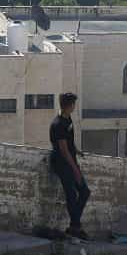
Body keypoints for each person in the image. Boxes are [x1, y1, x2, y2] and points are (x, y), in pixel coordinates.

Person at [50, 92, 90, 240]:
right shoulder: (58, 124)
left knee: (84, 192)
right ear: (69, 106)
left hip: (70, 160)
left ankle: (74, 226)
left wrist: (77, 151)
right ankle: (75, 227)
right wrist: (76, 171)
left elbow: (69, 143)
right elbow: (63, 150)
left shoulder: (68, 119)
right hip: (62, 163)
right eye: (73, 104)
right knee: (71, 194)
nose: (74, 106)